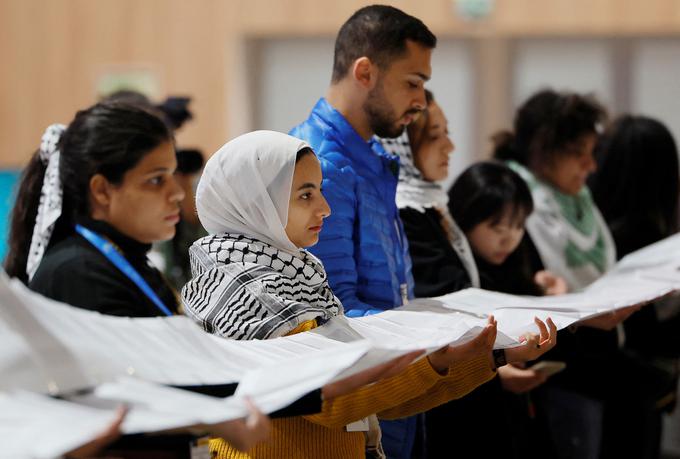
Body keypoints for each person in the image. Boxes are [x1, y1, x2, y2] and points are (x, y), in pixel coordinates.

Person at [182, 130, 525, 459]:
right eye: (306, 195)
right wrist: (436, 359)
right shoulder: (251, 292)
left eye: (319, 190)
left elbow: (379, 399)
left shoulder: (296, 275)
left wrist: (487, 356)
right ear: (257, 204)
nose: (325, 208)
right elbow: (331, 401)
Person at [4, 101, 271, 457]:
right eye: (156, 180)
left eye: (174, 175)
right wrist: (221, 416)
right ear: (102, 190)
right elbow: (124, 394)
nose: (177, 193)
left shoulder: (121, 261)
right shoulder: (77, 273)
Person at [289, 6, 438, 456]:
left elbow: (391, 294)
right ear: (365, 72)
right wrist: (441, 336)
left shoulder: (366, 159)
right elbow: (331, 315)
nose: (422, 101)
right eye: (413, 82)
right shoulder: (323, 166)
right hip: (360, 413)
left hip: (392, 392)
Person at [380, 90, 561, 458]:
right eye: (435, 136)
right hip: (433, 385)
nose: (450, 146)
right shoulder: (404, 213)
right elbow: (451, 301)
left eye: (447, 132)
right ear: (402, 147)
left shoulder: (429, 206)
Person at [492, 89, 642, 459]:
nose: (591, 166)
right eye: (580, 154)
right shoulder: (515, 199)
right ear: (544, 150)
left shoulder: (578, 198)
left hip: (592, 367)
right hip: (556, 372)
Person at [590, 115, 680, 459]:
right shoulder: (643, 237)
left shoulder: (597, 231)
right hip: (630, 389)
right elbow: (645, 331)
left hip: (604, 387)